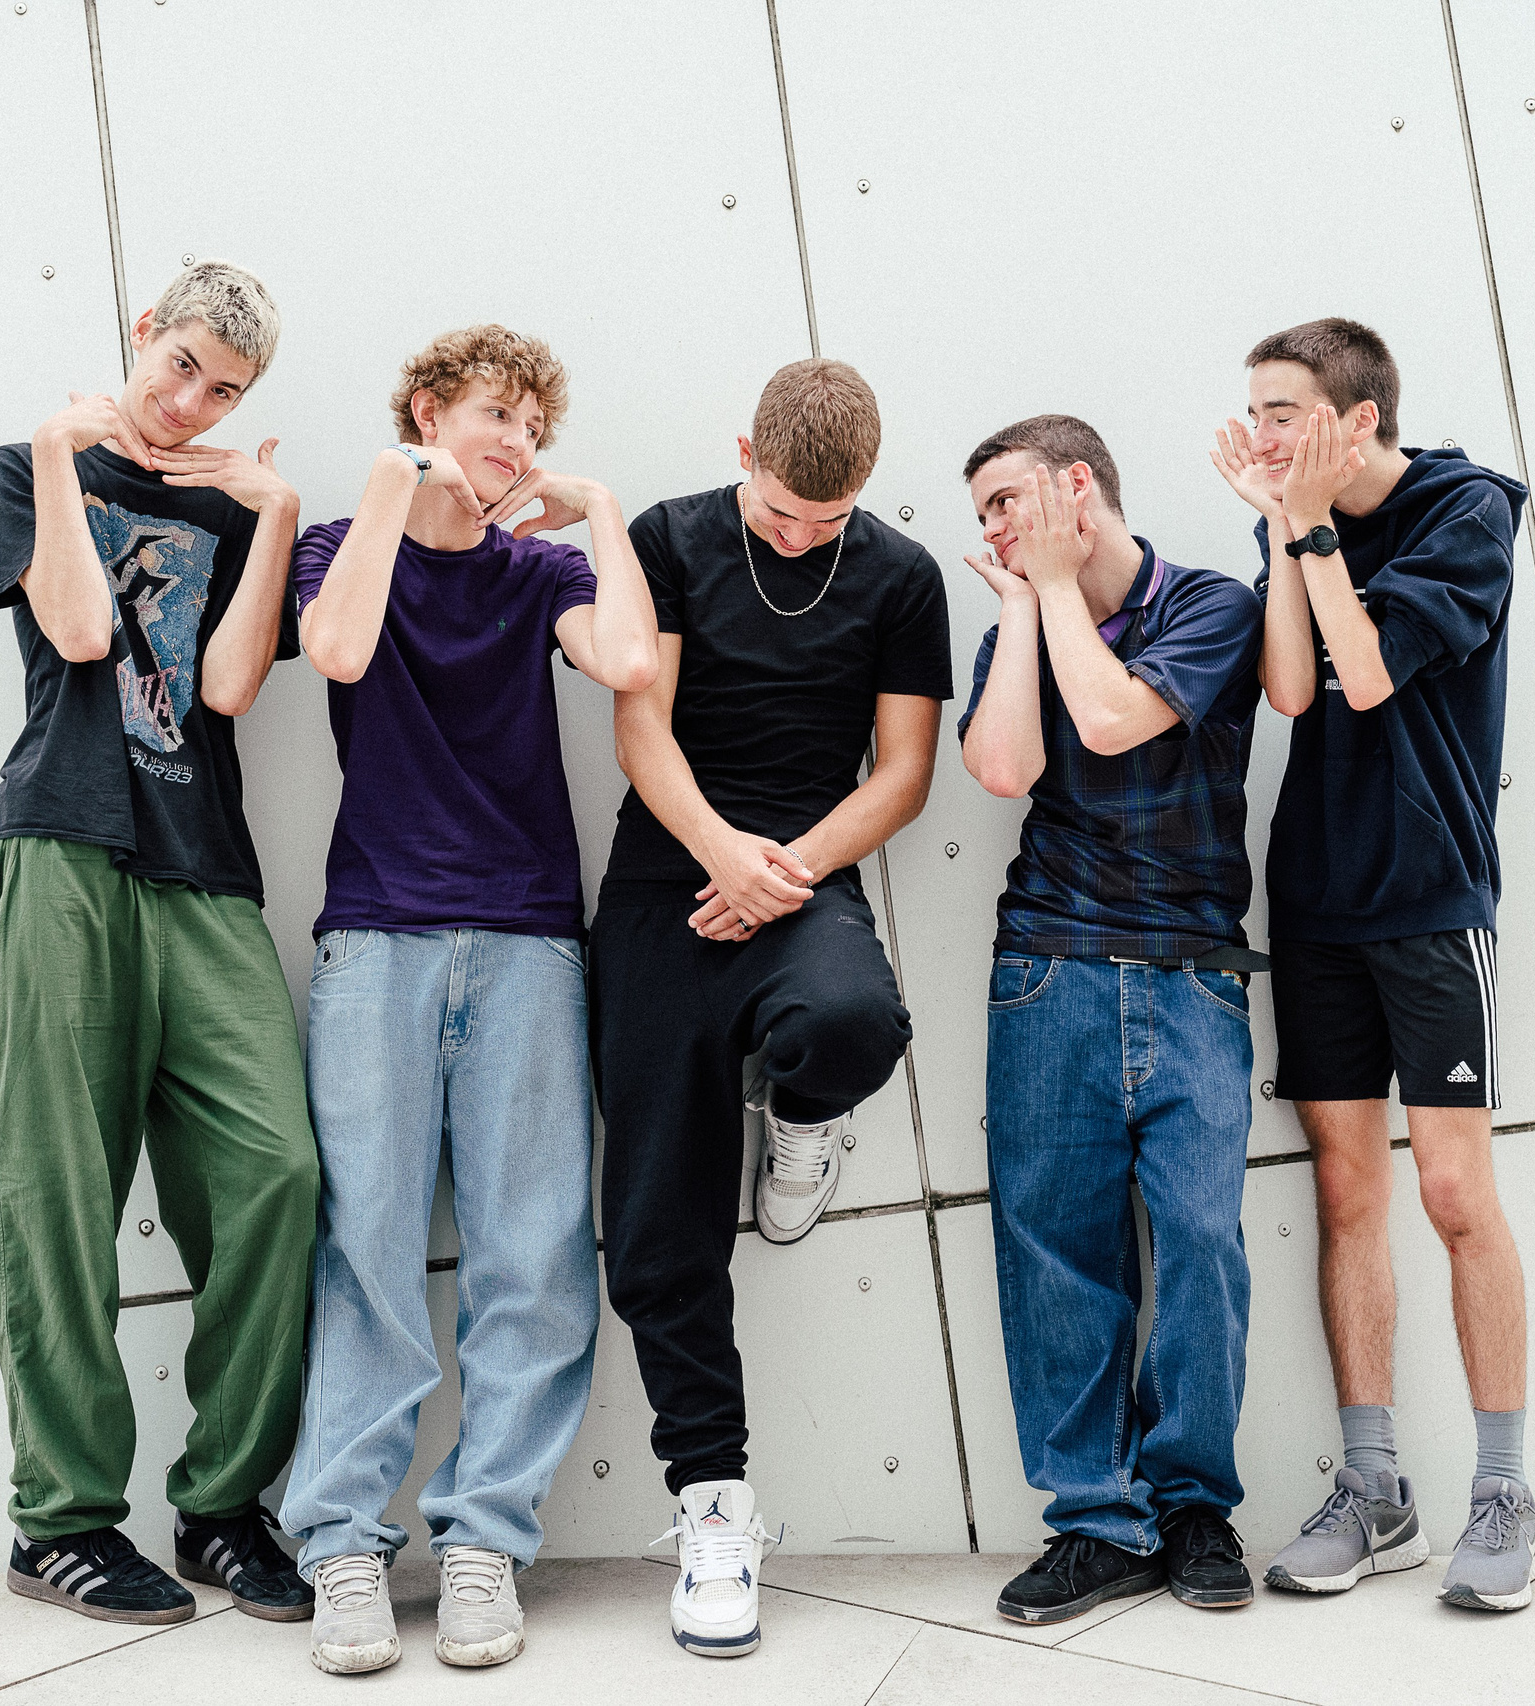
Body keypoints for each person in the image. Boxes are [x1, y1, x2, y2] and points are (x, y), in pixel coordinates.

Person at [275, 325, 659, 1675]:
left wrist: (599, 511)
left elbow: (624, 661)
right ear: (432, 409)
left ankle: (486, 1537)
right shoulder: (342, 543)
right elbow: (333, 648)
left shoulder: (541, 564)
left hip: (527, 940)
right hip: (376, 936)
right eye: (497, 416)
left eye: (535, 431)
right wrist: (397, 485)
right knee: (365, 1248)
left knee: (534, 1255)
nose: (518, 446)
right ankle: (340, 1546)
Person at [0, 259, 318, 1627]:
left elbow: (227, 687)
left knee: (280, 1176)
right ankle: (59, 1519)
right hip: (62, 849)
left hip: (205, 872)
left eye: (222, 390)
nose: (189, 405)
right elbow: (72, 626)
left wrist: (277, 507)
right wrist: (66, 450)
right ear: (142, 334)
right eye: (177, 368)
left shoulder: (235, 510)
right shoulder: (25, 465)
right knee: (55, 1191)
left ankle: (224, 1503)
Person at [594, 358, 952, 1657]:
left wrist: (779, 873)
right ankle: (716, 1508)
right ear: (742, 448)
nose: (804, 535)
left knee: (855, 1024)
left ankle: (798, 1108)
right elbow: (641, 730)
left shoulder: (901, 577)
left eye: (830, 518)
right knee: (655, 1230)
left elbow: (904, 772)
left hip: (803, 883)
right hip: (662, 889)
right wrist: (719, 857)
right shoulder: (670, 539)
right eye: (784, 511)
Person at [1211, 317, 1535, 1612]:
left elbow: (1364, 670)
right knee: (1350, 1194)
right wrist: (1290, 532)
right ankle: (1373, 1487)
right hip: (1319, 901)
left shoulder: (1466, 511)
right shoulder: (1293, 524)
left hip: (1430, 898)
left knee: (1456, 1194)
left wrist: (1306, 532)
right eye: (1256, 410)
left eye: (1284, 411)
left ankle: (1505, 1490)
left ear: (1358, 418)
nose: (1263, 435)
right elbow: (1291, 687)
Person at [957, 415, 1267, 1625]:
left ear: (1075, 485)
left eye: (1003, 499)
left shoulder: (1210, 605)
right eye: (977, 510)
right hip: (1047, 968)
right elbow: (998, 768)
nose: (987, 528)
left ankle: (1192, 1505)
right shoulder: (1015, 630)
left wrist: (1047, 592)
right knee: (1055, 1255)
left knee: (1200, 1242)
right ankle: (1096, 1519)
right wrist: (1031, 608)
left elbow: (1112, 719)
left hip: (1193, 974)